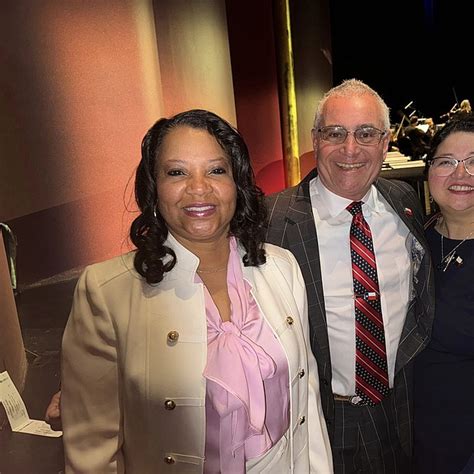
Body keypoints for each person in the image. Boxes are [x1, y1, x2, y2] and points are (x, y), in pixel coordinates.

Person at [60, 109, 332, 473]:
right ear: (153, 188)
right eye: (177, 172)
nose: (199, 188)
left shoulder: (281, 267)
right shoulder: (107, 292)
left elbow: (306, 399)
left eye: (216, 170)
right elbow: (91, 449)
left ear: (238, 182)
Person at [266, 79, 435, 473]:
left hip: (402, 409)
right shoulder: (270, 221)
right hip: (323, 418)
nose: (350, 149)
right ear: (315, 139)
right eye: (335, 133)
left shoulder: (404, 202)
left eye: (365, 134)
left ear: (386, 141)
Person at [413, 115, 474, 473]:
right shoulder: (415, 236)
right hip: (412, 440)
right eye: (447, 162)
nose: (460, 175)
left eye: (473, 163)